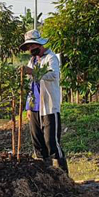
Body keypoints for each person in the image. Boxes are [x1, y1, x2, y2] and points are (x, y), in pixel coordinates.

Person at [21, 29, 68, 173]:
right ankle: (47, 176)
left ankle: (63, 176)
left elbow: (53, 75)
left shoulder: (51, 58)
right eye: (28, 47)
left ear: (39, 44)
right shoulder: (32, 61)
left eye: (32, 46)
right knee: (38, 144)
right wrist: (28, 106)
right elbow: (31, 85)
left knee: (51, 143)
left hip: (49, 107)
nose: (30, 49)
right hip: (35, 107)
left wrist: (33, 72)